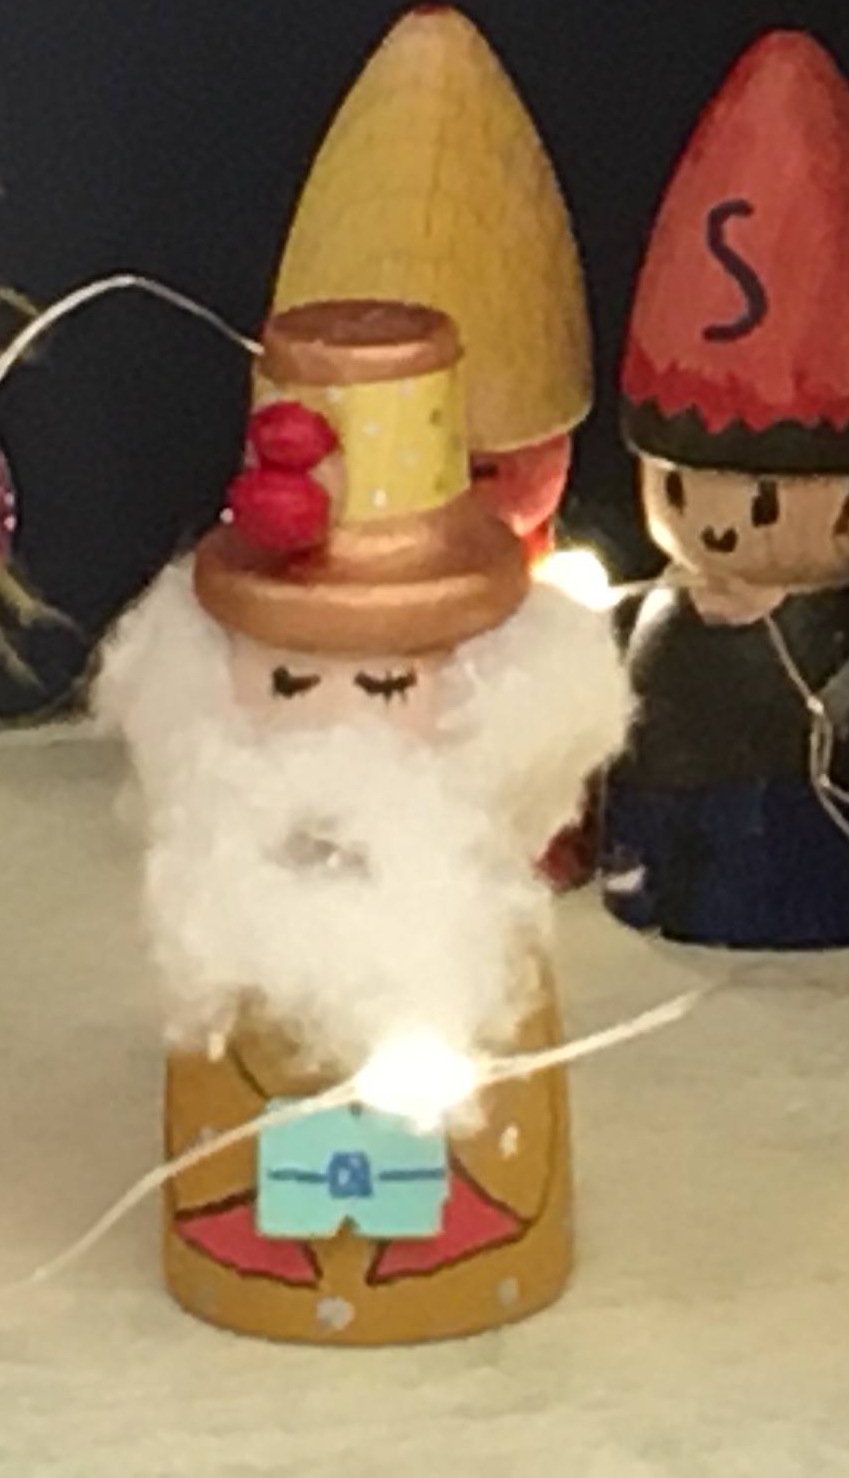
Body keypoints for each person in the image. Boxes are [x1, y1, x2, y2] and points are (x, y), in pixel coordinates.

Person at [95, 299, 632, 1347]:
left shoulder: (477, 916)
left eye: (388, 684)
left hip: (476, 1243)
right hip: (236, 1239)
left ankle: (441, 1267)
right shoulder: (227, 902)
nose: (332, 734)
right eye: (287, 680)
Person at [610, 30, 849, 948]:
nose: (717, 534)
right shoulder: (664, 611)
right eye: (680, 492)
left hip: (805, 848)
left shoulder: (842, 626)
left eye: (761, 505)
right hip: (676, 823)